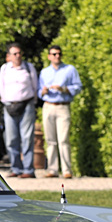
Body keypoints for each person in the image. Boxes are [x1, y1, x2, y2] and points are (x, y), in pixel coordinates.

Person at [37, 45, 82, 179]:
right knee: (50, 140)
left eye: (59, 54)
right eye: (54, 54)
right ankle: (52, 169)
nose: (57, 56)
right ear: (49, 56)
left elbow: (78, 87)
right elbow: (39, 91)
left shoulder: (70, 69)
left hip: (63, 106)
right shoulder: (44, 72)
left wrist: (63, 89)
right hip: (48, 106)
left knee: (63, 139)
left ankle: (67, 170)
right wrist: (43, 91)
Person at [0, 42, 39, 178]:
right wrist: (6, 102)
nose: (18, 56)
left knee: (27, 137)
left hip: (26, 104)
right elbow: (1, 86)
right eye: (14, 54)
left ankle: (28, 169)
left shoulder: (28, 67)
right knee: (11, 139)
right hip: (9, 105)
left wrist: (32, 102)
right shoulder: (4, 69)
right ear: (8, 56)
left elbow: (35, 86)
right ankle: (16, 168)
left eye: (19, 53)